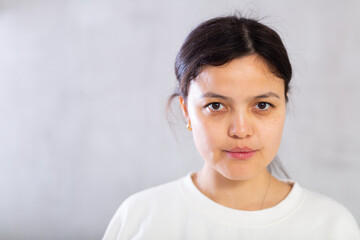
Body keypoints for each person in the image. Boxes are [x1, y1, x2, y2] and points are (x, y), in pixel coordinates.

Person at [102, 15, 360, 240]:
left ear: (284, 105)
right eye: (216, 106)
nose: (240, 130)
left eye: (262, 105)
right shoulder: (140, 219)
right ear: (186, 111)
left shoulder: (331, 227)